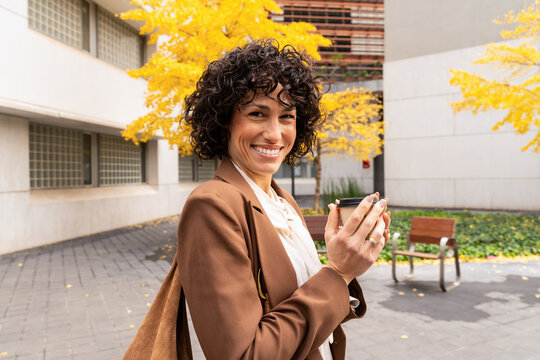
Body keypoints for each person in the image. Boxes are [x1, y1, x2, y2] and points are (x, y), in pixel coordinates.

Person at [125, 39, 391, 360]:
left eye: (287, 117)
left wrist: (339, 257)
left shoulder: (282, 200)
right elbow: (243, 355)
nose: (275, 134)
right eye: (257, 113)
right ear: (224, 121)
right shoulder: (212, 205)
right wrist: (338, 273)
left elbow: (298, 306)